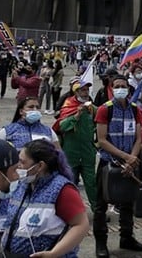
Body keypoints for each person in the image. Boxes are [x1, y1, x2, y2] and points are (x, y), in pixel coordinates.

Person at [0, 139, 89, 257]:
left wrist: (53, 253)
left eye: (22, 162)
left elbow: (81, 225)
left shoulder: (62, 190)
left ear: (40, 166)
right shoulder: (22, 185)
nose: (18, 166)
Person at [93, 77, 142, 256]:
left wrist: (132, 158)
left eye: (123, 86)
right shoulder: (104, 109)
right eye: (117, 87)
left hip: (130, 162)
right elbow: (101, 140)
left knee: (128, 202)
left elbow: (139, 138)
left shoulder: (134, 109)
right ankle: (101, 243)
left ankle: (127, 237)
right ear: (111, 88)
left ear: (129, 89)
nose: (120, 89)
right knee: (101, 205)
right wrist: (125, 157)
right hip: (109, 163)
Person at [55, 79, 98, 210]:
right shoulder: (68, 105)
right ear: (76, 91)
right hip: (71, 152)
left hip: (87, 152)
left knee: (91, 183)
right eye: (82, 90)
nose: (85, 93)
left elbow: (101, 120)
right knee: (70, 183)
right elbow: (61, 126)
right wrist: (76, 115)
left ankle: (97, 209)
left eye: (87, 90)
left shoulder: (92, 108)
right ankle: (72, 210)